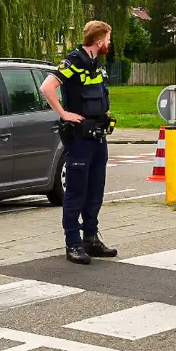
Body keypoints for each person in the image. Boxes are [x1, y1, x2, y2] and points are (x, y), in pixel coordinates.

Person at [40, 20, 119, 265]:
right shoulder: (73, 62)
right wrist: (64, 114)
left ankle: (91, 238)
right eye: (108, 38)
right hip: (80, 139)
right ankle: (73, 243)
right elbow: (47, 87)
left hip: (98, 138)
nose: (109, 43)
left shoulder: (97, 65)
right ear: (99, 40)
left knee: (96, 189)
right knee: (76, 191)